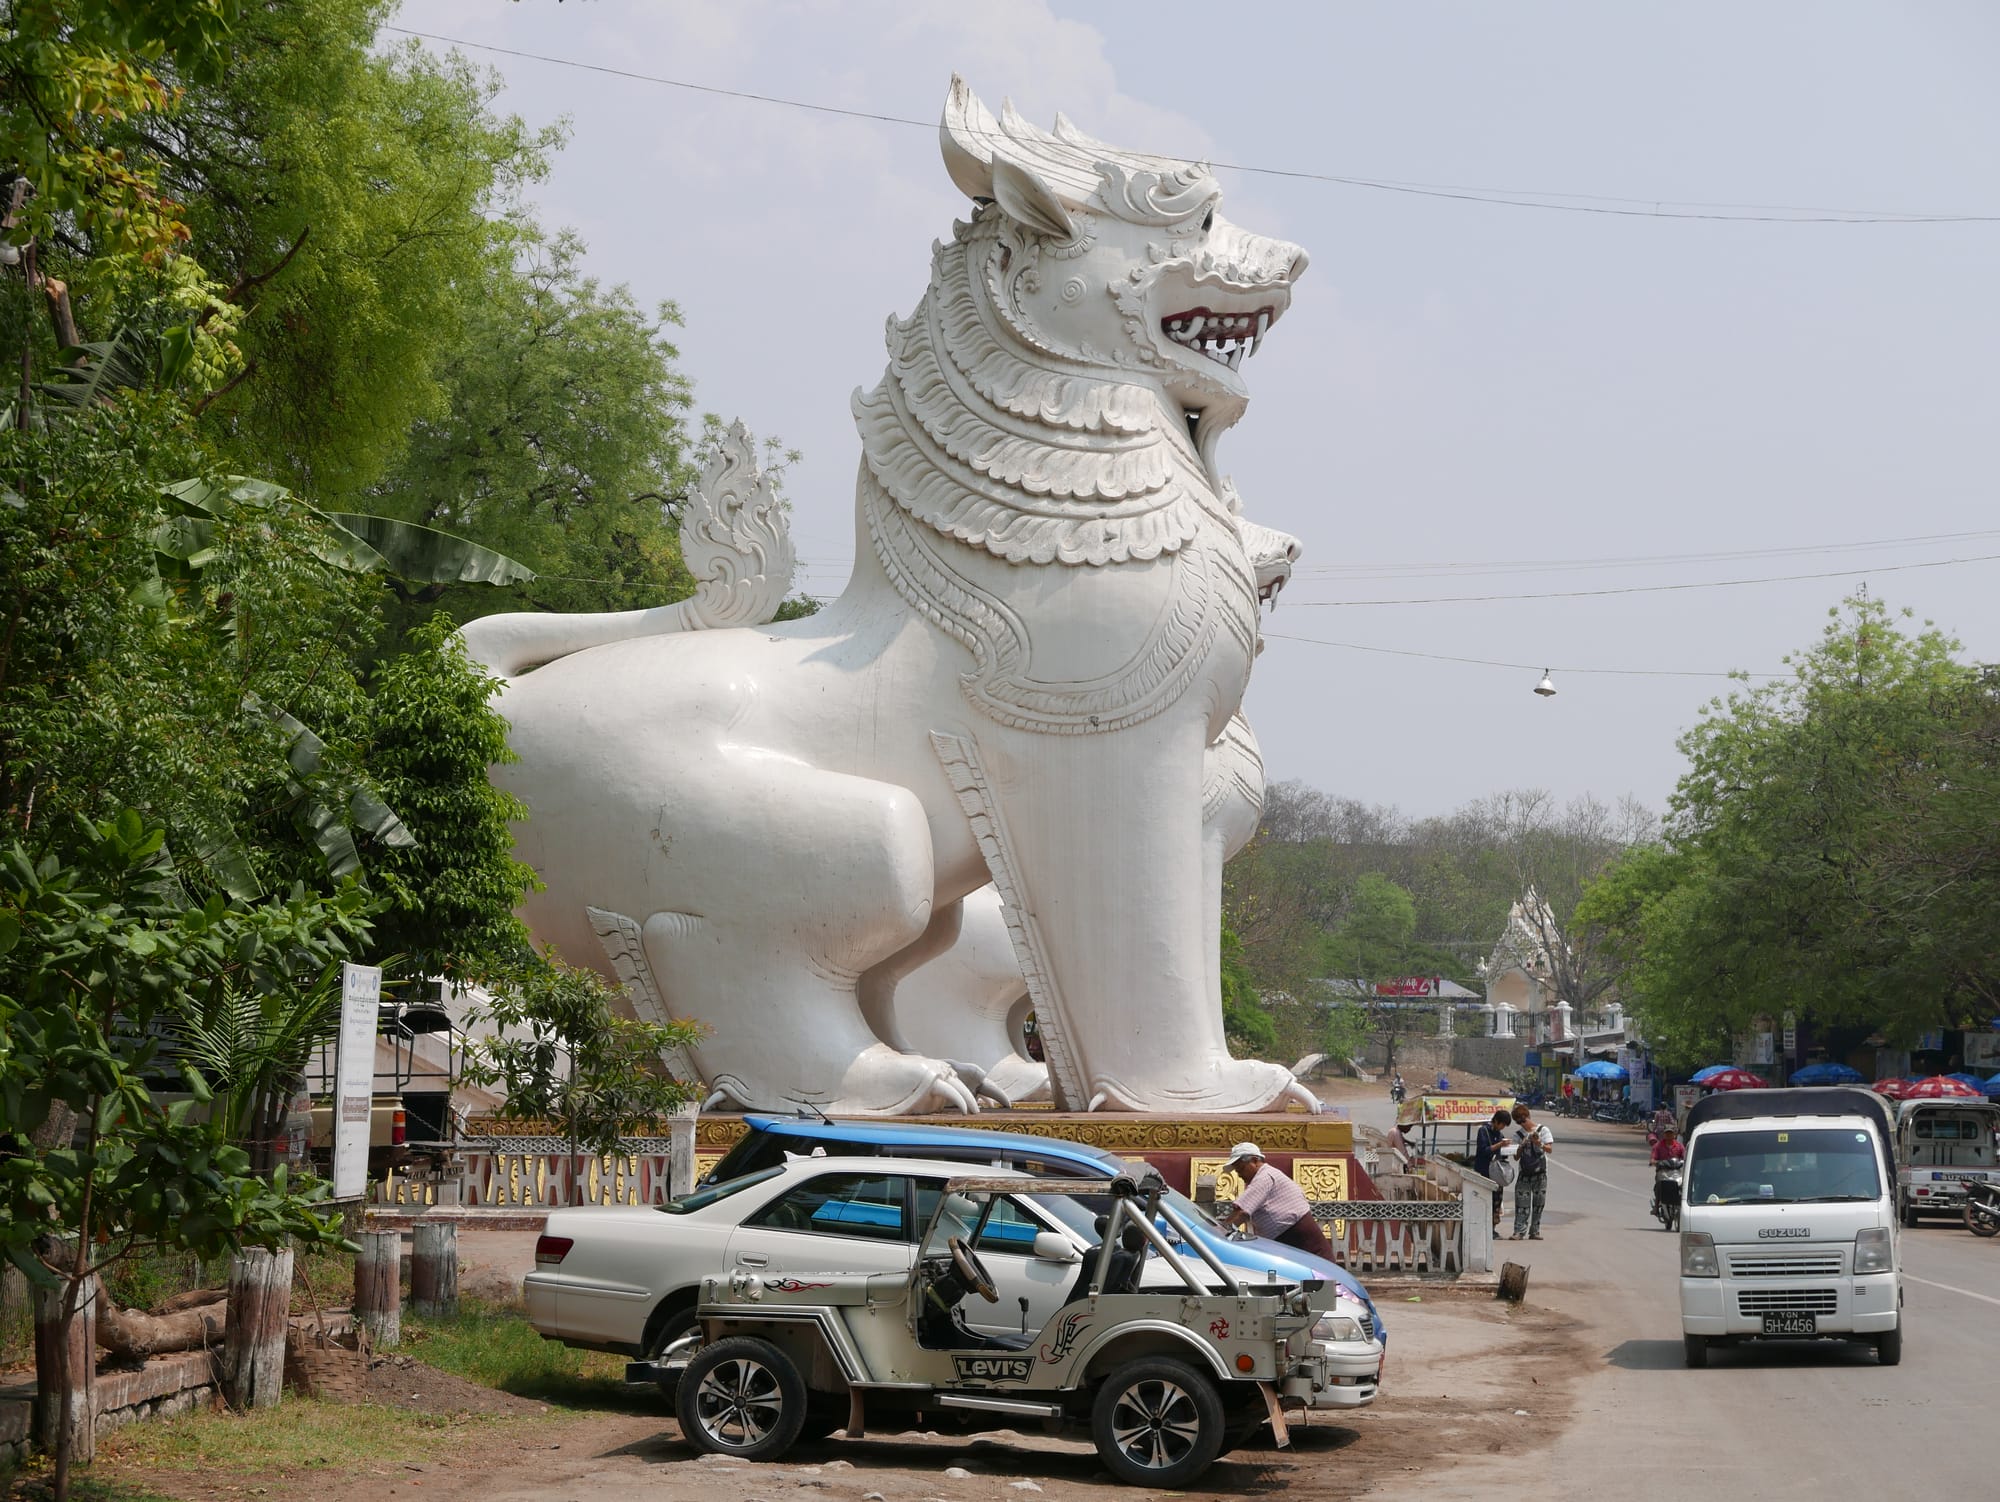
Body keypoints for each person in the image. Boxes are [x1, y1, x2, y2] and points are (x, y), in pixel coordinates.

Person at [1222, 1142, 1335, 1258]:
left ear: (1255, 1161)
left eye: (1241, 1169)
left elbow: (1241, 1212)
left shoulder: (1265, 1177)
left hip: (1304, 1246)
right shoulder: (1266, 1175)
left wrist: (1219, 1235)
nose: (1239, 1174)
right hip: (1290, 1244)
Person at [1510, 1103, 1554, 1240]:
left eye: (1523, 1120)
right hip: (1524, 1173)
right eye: (1518, 1122)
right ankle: (1519, 1231)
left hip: (1540, 1172)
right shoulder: (1517, 1135)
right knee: (1521, 1204)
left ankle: (1535, 1231)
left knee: (1539, 1203)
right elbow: (1516, 1157)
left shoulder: (1543, 1130)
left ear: (1528, 1116)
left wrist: (1538, 1143)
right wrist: (1521, 1146)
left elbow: (1549, 1149)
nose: (1522, 1124)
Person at [1473, 1108, 1512, 1234]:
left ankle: (1492, 1228)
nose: (1502, 1128)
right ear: (1496, 1121)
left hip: (1496, 1174)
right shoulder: (1483, 1131)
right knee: (1484, 1200)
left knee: (1496, 1202)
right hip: (1484, 1172)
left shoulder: (1500, 1135)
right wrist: (1500, 1145)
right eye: (1502, 1124)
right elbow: (1484, 1151)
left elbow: (1502, 1155)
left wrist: (1508, 1149)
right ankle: (1481, 1228)